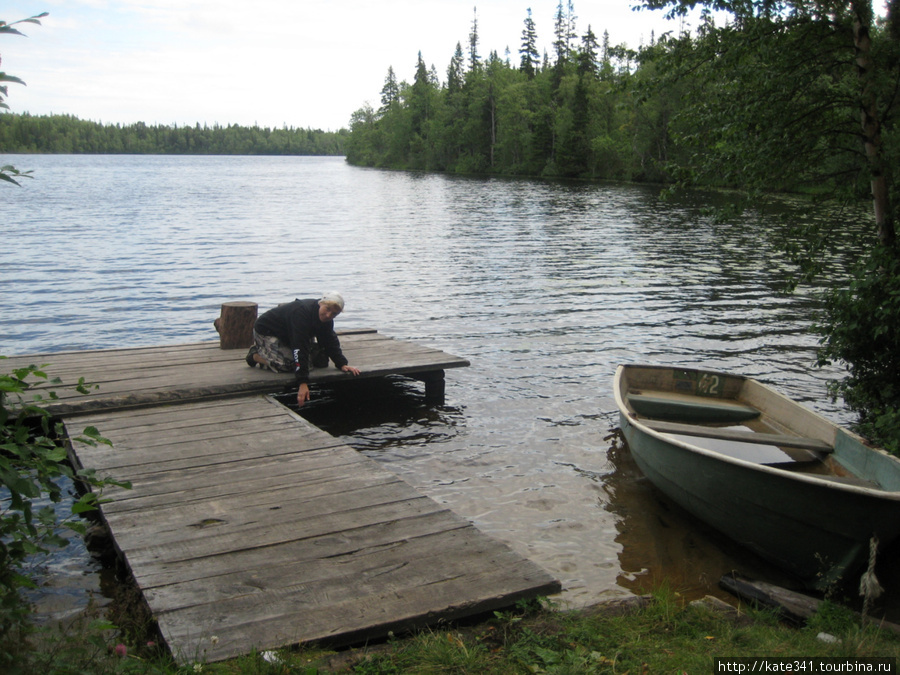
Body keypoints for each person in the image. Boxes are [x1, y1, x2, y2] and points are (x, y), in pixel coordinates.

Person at [246, 292, 361, 406]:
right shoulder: (301, 313)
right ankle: (255, 355)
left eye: (334, 314)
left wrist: (341, 364)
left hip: (289, 334)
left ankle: (270, 353)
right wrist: (303, 382)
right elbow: (299, 346)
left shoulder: (326, 320)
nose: (328, 315)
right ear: (321, 303)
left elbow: (329, 340)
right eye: (327, 309)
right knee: (289, 364)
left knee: (319, 362)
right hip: (267, 331)